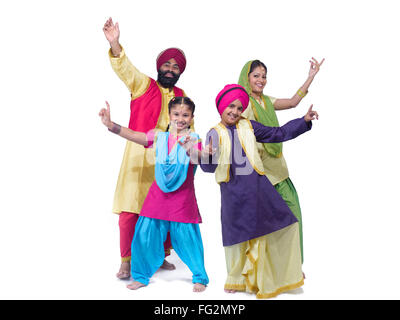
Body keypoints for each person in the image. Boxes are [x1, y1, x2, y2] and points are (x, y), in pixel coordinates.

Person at [197, 84, 318, 299]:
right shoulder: (214, 133)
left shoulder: (249, 126)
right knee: (235, 234)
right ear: (221, 107)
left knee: (283, 223)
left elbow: (277, 133)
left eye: (238, 107)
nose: (234, 111)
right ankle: (236, 278)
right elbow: (208, 168)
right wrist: (206, 155)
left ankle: (282, 270)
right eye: (230, 106)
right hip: (232, 191)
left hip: (258, 186)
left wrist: (304, 121)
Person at [103, 17, 192, 278]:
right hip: (138, 158)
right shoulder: (143, 85)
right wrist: (115, 44)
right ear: (159, 67)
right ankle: (126, 261)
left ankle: (160, 255)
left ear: (179, 72)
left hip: (167, 162)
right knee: (130, 212)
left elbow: (188, 125)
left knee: (164, 211)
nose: (171, 69)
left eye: (176, 66)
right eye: (167, 64)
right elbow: (125, 69)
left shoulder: (181, 95)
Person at [99, 97, 209, 292]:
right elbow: (136, 135)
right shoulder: (160, 137)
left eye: (185, 115)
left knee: (188, 238)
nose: (180, 119)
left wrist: (193, 150)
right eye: (176, 114)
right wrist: (110, 125)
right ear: (169, 115)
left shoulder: (194, 139)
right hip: (158, 196)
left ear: (192, 117)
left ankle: (199, 276)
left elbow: (203, 157)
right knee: (144, 234)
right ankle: (141, 275)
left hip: (182, 198)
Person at [238, 58, 324, 263]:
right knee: (263, 225)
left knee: (293, 218)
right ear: (246, 78)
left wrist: (310, 77)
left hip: (278, 170)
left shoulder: (266, 101)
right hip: (259, 175)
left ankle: (293, 265)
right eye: (256, 75)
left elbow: (293, 102)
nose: (261, 80)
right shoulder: (242, 105)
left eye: (264, 76)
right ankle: (257, 270)